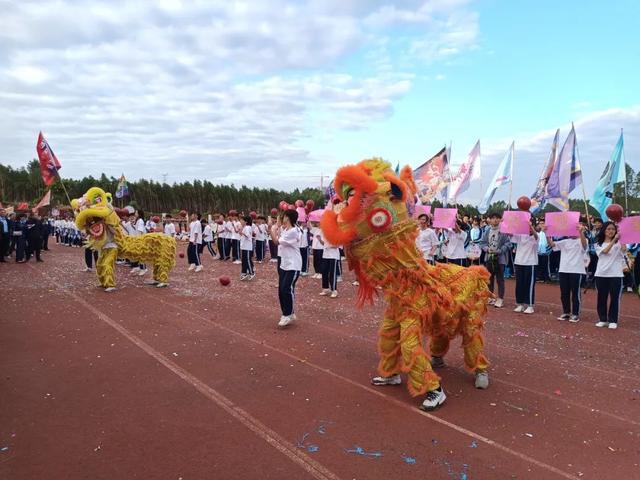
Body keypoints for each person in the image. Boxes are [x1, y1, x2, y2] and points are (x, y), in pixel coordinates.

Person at [546, 221, 588, 322]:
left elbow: (585, 246)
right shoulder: (565, 241)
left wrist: (581, 232)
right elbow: (552, 244)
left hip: (576, 270)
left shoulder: (583, 239)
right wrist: (547, 234)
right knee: (564, 293)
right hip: (563, 270)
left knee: (575, 293)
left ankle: (575, 313)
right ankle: (566, 312)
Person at [270, 210, 302, 327]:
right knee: (282, 290)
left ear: (288, 218)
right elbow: (280, 236)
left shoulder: (293, 231)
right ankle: (289, 313)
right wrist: (278, 227)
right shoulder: (287, 230)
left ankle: (287, 314)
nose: (282, 218)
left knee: (286, 289)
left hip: (293, 265)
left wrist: (272, 229)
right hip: (284, 263)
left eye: (283, 217)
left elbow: (276, 241)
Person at [594, 221, 626, 330]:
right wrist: (614, 240)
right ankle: (602, 319)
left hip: (616, 274)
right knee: (601, 298)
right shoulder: (598, 243)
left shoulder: (619, 243)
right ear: (604, 231)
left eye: (613, 229)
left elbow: (624, 250)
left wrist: (621, 239)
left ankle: (613, 320)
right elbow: (606, 251)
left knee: (615, 298)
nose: (611, 231)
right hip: (601, 274)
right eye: (608, 229)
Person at [479, 212, 511, 308]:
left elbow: (508, 244)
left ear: (500, 219)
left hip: (500, 259)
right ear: (490, 220)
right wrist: (487, 249)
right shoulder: (487, 231)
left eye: (497, 218)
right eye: (493, 218)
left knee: (500, 279)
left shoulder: (503, 231)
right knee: (490, 279)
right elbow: (482, 243)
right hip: (489, 258)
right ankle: (491, 297)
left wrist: (500, 251)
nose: (495, 220)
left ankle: (500, 299)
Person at [510, 221, 539, 314]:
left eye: (530, 226)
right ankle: (520, 304)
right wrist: (505, 223)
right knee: (519, 284)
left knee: (529, 284)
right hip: (519, 262)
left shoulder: (536, 236)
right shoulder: (520, 235)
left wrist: (531, 227)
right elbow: (509, 234)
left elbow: (536, 237)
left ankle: (530, 305)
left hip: (531, 263)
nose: (529, 228)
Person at [319, 230, 340, 298]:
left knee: (332, 273)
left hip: (333, 256)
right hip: (325, 255)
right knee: (324, 271)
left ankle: (334, 290)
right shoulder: (325, 233)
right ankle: (326, 288)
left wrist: (329, 246)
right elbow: (323, 243)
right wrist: (319, 239)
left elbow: (337, 245)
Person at [239, 216, 255, 280]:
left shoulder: (247, 227)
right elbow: (244, 236)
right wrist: (241, 233)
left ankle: (251, 273)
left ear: (246, 221)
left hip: (247, 247)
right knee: (244, 260)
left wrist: (242, 232)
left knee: (248, 260)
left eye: (242, 220)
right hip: (244, 246)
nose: (240, 221)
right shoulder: (245, 227)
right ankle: (244, 273)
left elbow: (248, 235)